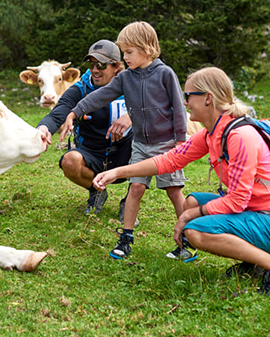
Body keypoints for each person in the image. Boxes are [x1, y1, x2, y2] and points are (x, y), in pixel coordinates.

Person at [93, 67, 270, 296]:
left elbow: (236, 201)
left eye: (188, 96)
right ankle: (255, 263)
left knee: (195, 231)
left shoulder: (239, 136)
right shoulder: (213, 132)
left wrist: (187, 217)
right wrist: (118, 172)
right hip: (259, 212)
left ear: (208, 98)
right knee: (192, 202)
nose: (184, 103)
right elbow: (169, 161)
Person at [64, 22, 187, 259]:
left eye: (129, 52)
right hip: (140, 144)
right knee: (136, 188)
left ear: (146, 49)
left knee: (173, 190)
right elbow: (99, 96)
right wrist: (75, 111)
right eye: (123, 53)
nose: (125, 58)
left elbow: (178, 108)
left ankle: (186, 240)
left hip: (167, 146)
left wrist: (180, 143)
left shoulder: (165, 74)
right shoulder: (126, 78)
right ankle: (126, 238)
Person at [36, 40, 134, 215]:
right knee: (69, 161)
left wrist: (132, 117)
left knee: (150, 149)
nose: (95, 70)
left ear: (116, 67)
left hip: (126, 154)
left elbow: (157, 110)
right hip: (92, 153)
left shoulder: (132, 86)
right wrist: (44, 128)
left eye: (102, 65)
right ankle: (97, 191)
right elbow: (58, 113)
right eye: (92, 64)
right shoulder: (81, 88)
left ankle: (130, 202)